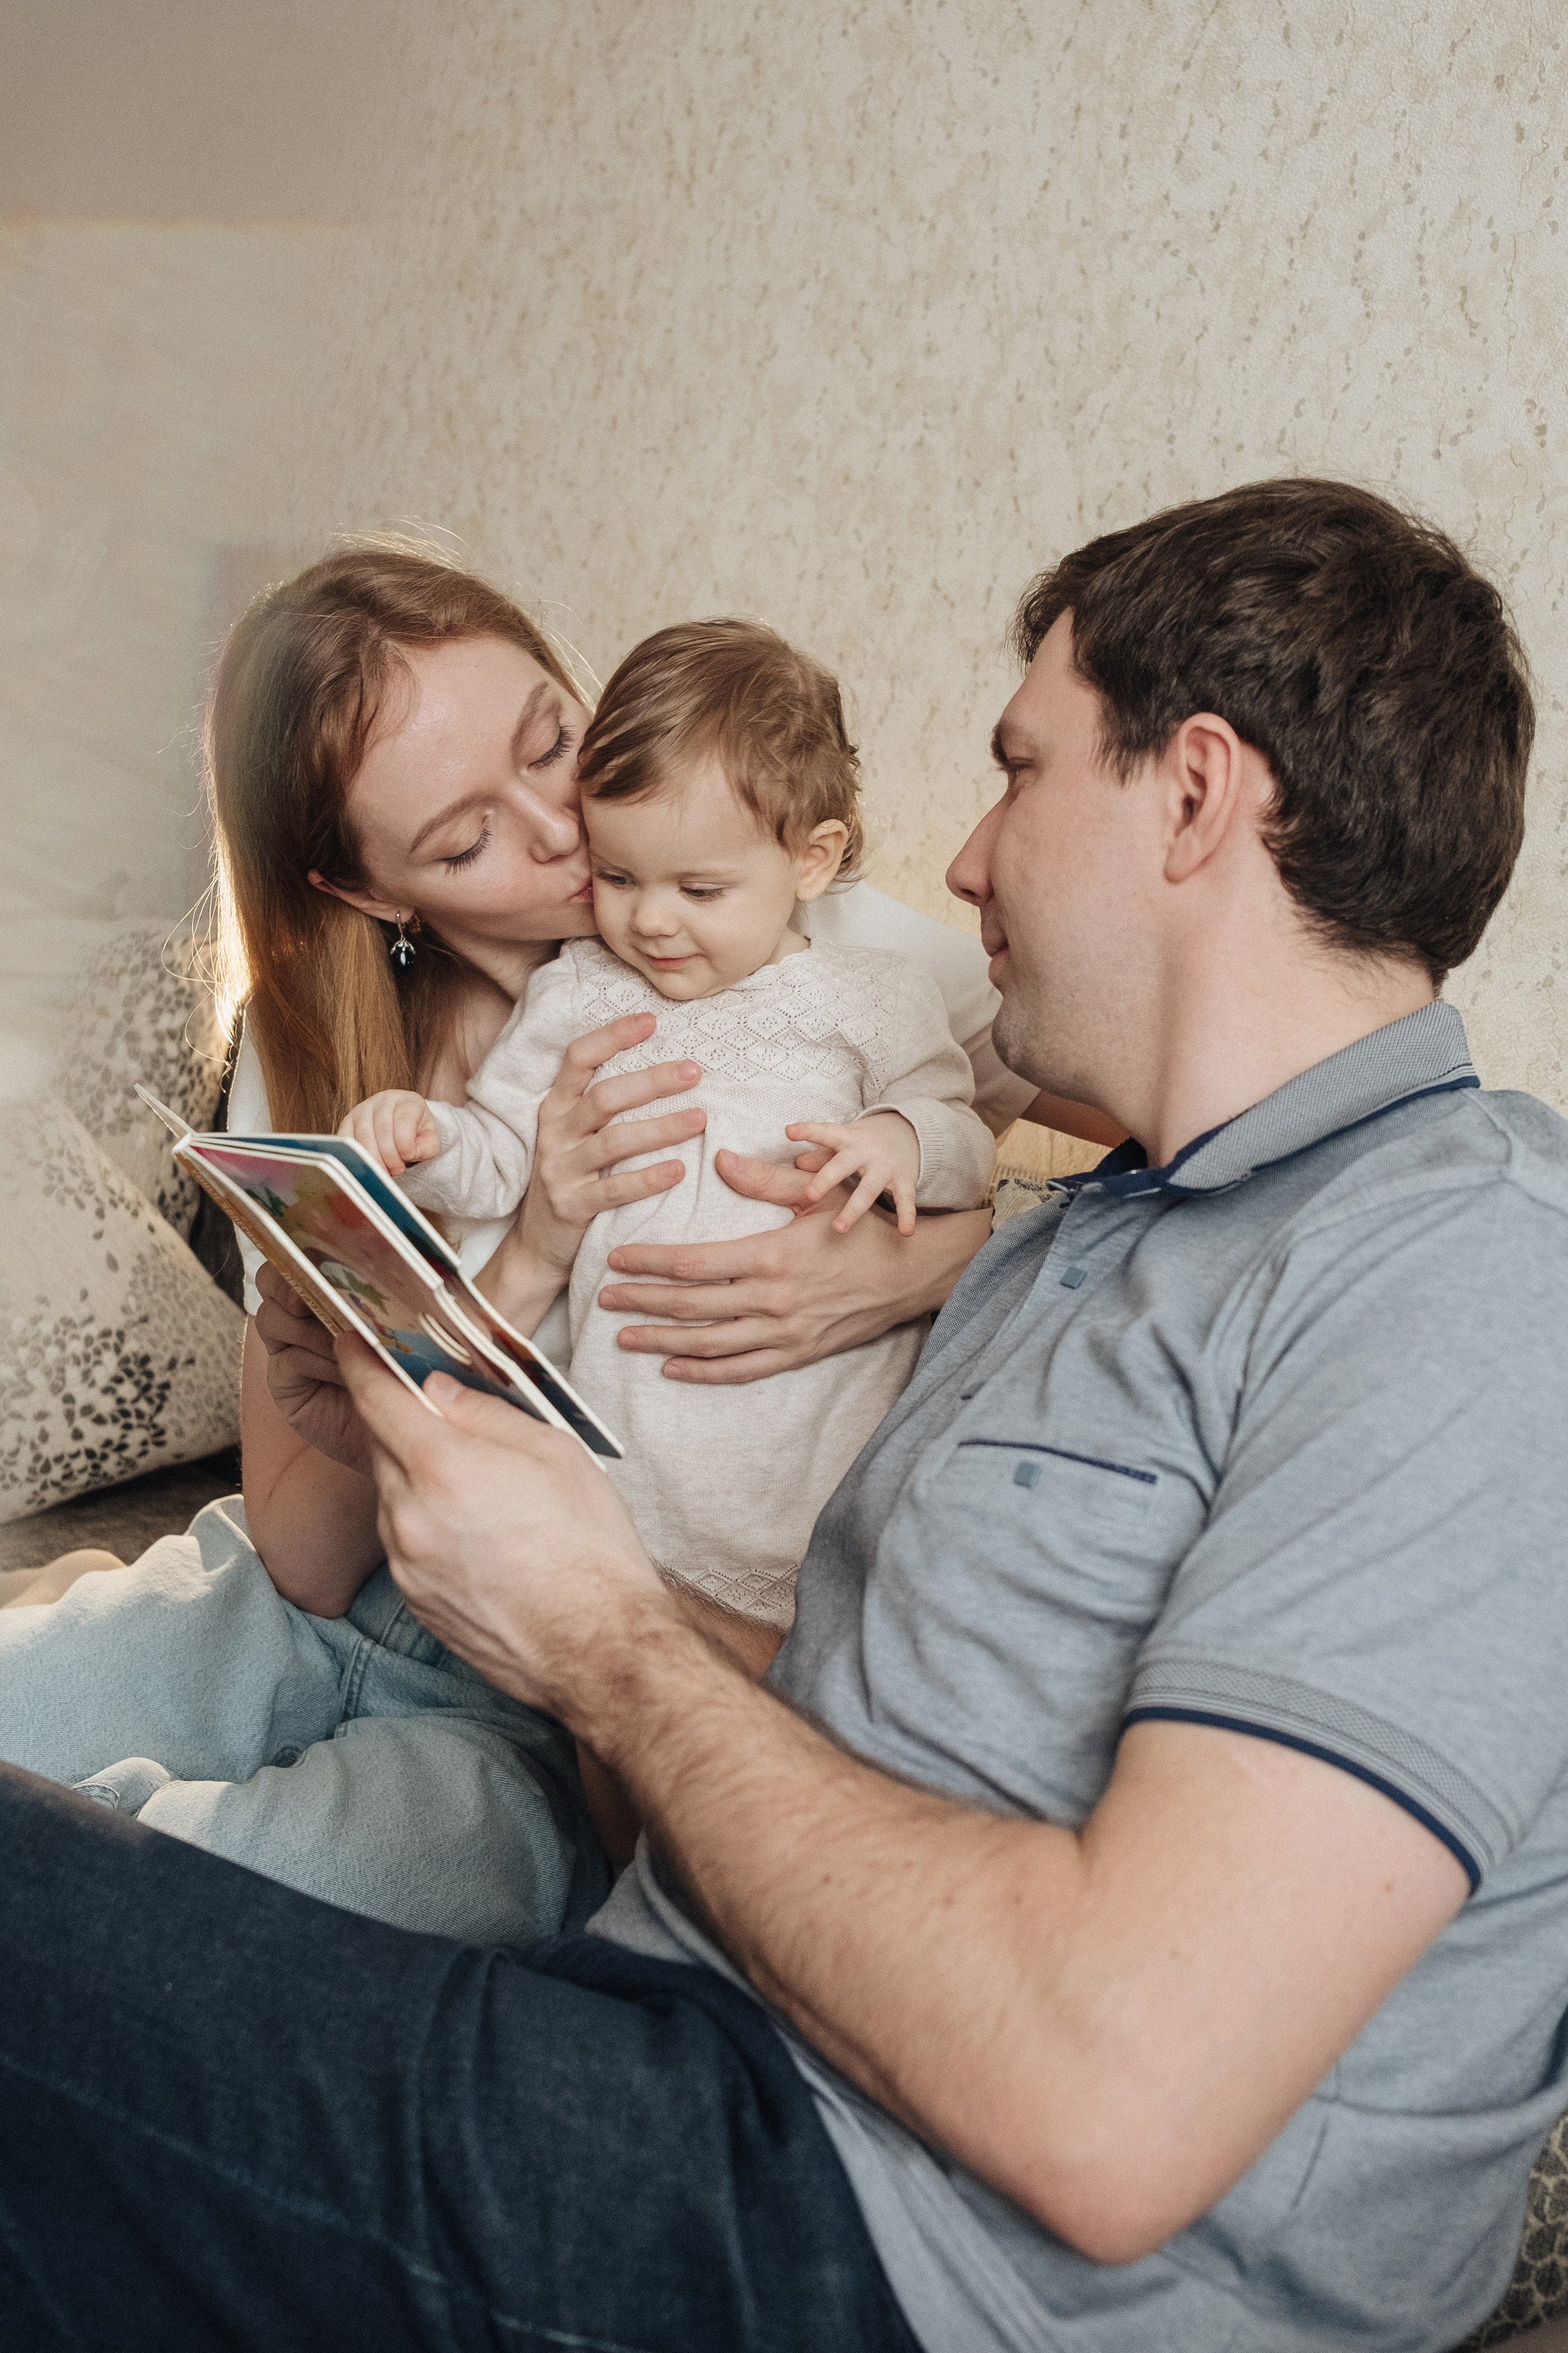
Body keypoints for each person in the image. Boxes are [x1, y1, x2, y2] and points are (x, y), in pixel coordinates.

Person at [5, 475, 1558, 2353]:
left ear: (1198, 791)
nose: (965, 863)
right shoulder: (1101, 1244)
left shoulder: (1468, 1271)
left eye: (1017, 771)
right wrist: (528, 1530)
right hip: (683, 2058)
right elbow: (807, 1725)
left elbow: (1114, 2099)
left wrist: (602, 1639)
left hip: (858, 2236)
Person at [0, 545, 1079, 1940]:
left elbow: (1171, 1151)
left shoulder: (822, 950)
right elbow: (307, 1561)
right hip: (305, 1607)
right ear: (376, 894)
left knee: (164, 1915)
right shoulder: (338, 1048)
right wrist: (527, 1254)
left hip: (526, 1705)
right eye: (464, 843)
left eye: (550, 744)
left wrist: (928, 1256)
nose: (563, 833)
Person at [347, 619, 995, 1624]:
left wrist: (905, 1141)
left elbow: (970, 1148)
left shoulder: (874, 1000)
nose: (650, 920)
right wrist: (422, 1138)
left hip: (808, 1449)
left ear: (813, 860)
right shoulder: (577, 995)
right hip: (626, 1466)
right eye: (617, 877)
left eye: (699, 889)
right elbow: (499, 1157)